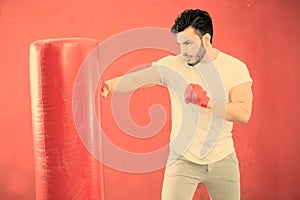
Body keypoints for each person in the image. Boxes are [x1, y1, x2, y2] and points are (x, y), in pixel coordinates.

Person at [100, 9, 253, 200]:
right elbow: (137, 79)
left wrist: (207, 102)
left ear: (206, 39)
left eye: (188, 43)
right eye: (180, 44)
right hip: (182, 160)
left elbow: (243, 112)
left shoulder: (234, 68)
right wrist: (108, 85)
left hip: (223, 159)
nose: (183, 51)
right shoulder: (173, 65)